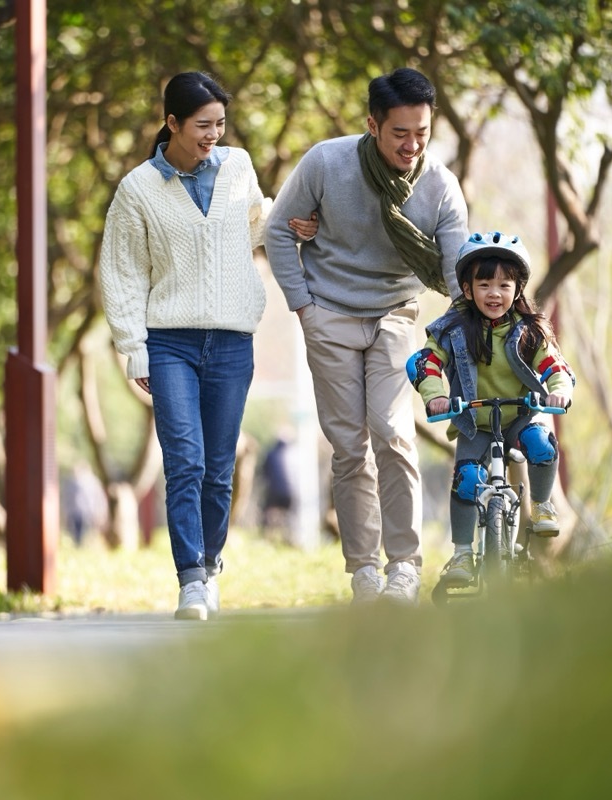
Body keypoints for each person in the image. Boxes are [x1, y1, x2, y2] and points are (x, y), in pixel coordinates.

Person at [99, 72, 317, 620]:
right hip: (168, 341)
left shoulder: (237, 166)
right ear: (171, 123)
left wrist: (291, 225)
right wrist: (134, 346)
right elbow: (121, 272)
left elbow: (253, 223)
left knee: (220, 467)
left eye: (220, 123)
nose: (213, 135)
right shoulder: (137, 189)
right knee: (186, 461)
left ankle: (212, 563)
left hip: (231, 341)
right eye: (202, 125)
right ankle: (190, 578)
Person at [264, 67, 469, 606]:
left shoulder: (439, 185)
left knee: (394, 433)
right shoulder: (327, 162)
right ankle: (364, 571)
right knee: (350, 447)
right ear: (372, 126)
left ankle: (404, 565)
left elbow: (456, 270)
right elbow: (278, 231)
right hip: (327, 314)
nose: (412, 144)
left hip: (395, 315)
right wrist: (303, 307)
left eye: (422, 132)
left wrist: (475, 319)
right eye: (400, 132)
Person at [406, 231, 575, 585]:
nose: (494, 294)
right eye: (484, 284)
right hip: (476, 422)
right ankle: (463, 555)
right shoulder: (452, 329)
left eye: (504, 285)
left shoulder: (530, 330)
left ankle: (542, 505)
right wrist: (434, 395)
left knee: (542, 445)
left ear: (518, 289)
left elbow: (556, 367)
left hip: (520, 415)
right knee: (467, 480)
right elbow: (424, 363)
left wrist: (557, 391)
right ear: (467, 290)